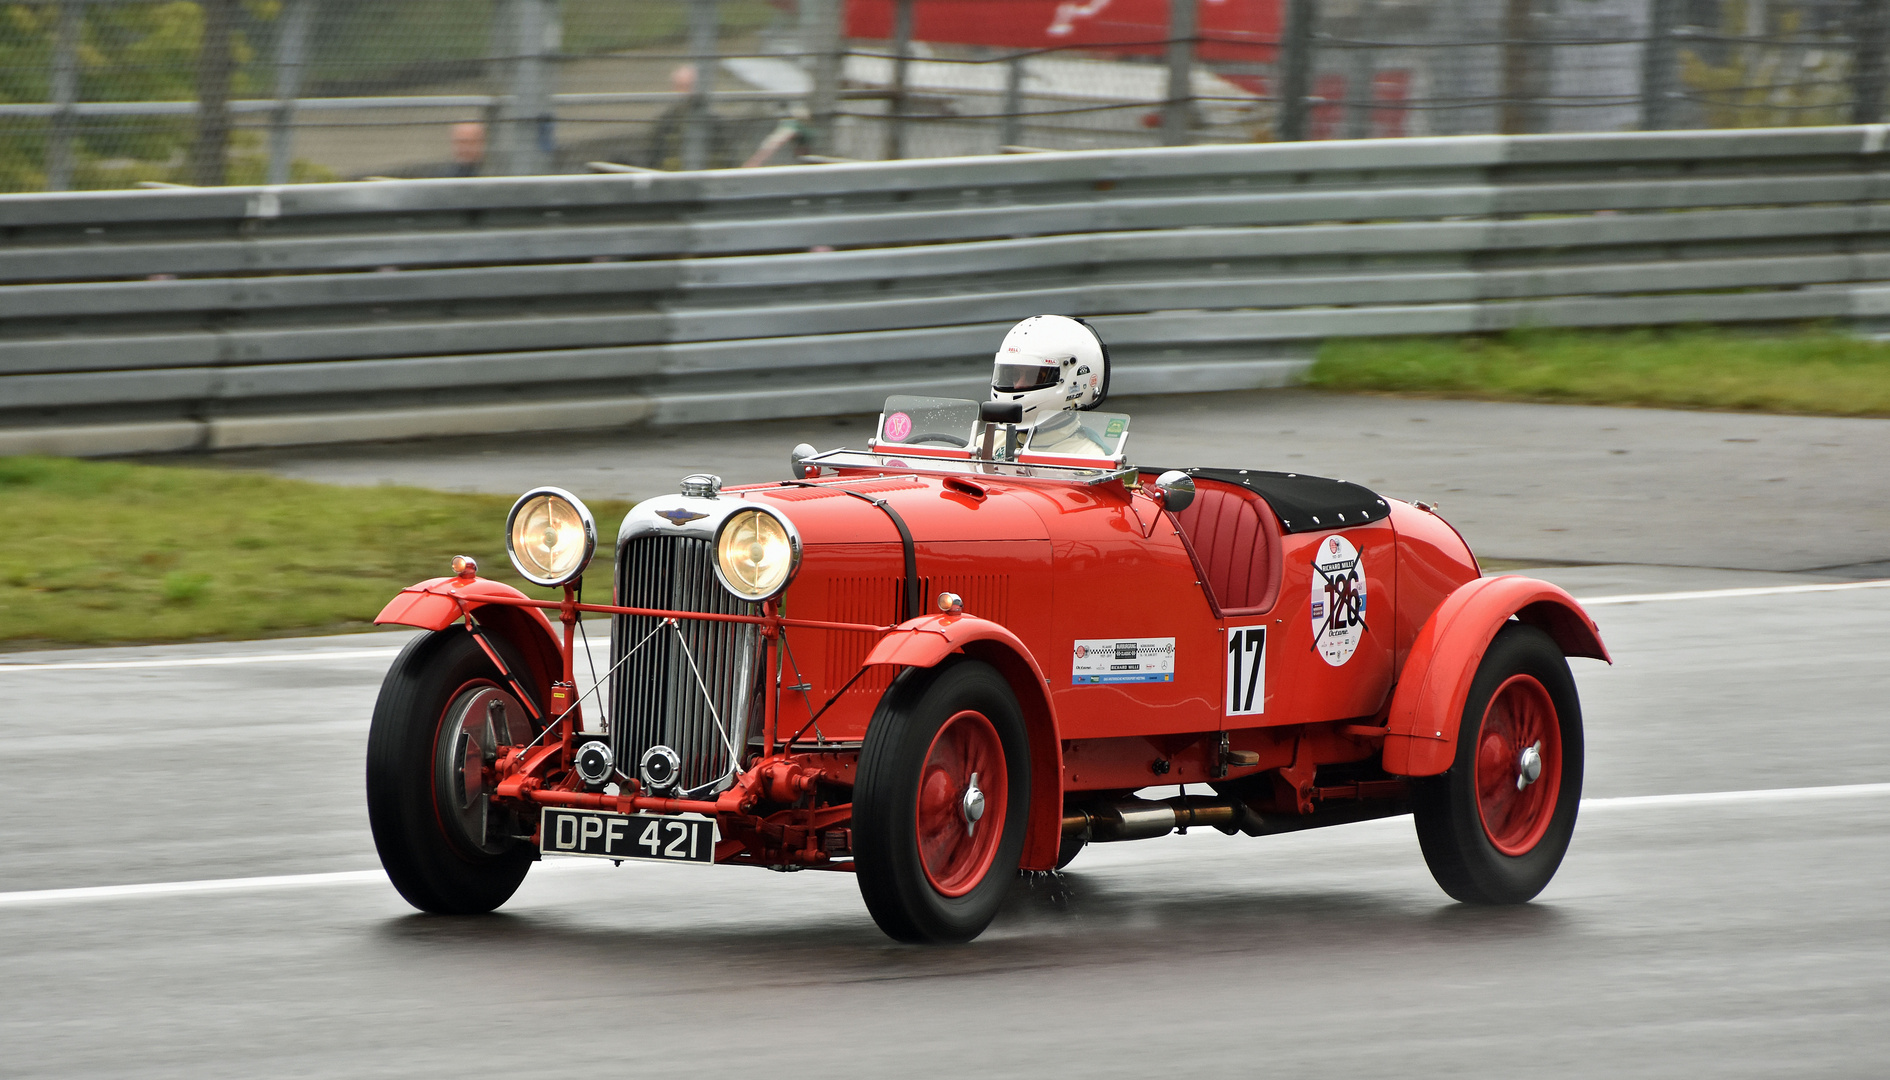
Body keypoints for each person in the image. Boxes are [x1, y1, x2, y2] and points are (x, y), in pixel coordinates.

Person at [988, 315, 1115, 457]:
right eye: (1013, 375)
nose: (1018, 385)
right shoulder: (987, 443)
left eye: (1033, 376)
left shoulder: (1090, 457)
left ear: (1075, 380)